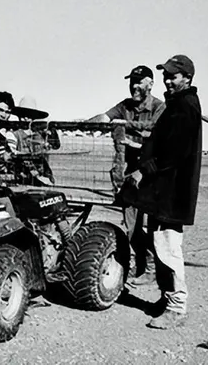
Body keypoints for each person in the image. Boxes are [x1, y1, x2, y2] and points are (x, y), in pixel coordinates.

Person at [125, 54, 202, 329]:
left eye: (174, 76)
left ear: (187, 78)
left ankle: (176, 307)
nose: (168, 80)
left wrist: (143, 170)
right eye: (166, 75)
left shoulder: (184, 107)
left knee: (168, 248)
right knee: (160, 245)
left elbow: (173, 155)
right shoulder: (177, 104)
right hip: (164, 193)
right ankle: (166, 298)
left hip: (171, 193)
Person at [89, 65, 165, 285]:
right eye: (132, 80)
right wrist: (84, 123)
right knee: (132, 224)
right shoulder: (124, 105)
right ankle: (141, 265)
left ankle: (152, 268)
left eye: (139, 81)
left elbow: (154, 131)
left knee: (153, 226)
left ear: (150, 83)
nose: (134, 85)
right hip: (129, 172)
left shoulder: (160, 108)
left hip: (152, 172)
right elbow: (105, 117)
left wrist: (125, 127)